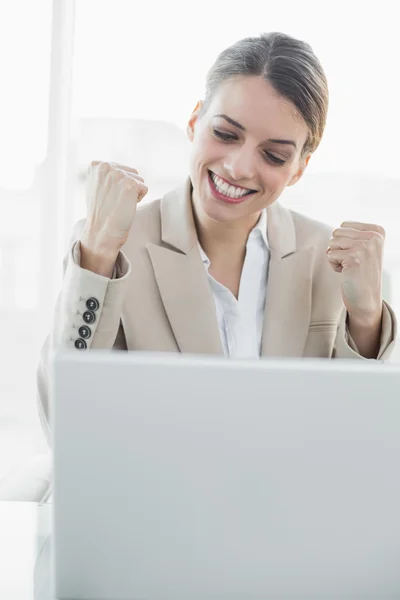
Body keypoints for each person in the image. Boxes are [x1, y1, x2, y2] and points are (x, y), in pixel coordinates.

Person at [37, 32, 396, 440]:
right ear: (194, 121)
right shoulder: (115, 243)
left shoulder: (332, 259)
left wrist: (366, 321)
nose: (239, 167)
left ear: (299, 167)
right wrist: (98, 255)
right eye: (226, 134)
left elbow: (352, 438)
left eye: (274, 155)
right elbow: (62, 424)